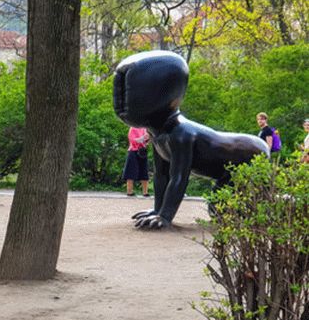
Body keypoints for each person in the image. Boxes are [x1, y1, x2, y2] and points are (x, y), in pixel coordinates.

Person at [113, 50, 269, 229]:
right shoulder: (158, 134)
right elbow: (161, 175)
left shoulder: (181, 134)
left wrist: (165, 216)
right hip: (235, 158)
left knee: (235, 208)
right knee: (219, 210)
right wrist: (157, 211)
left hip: (251, 151)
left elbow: (179, 177)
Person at [123, 126, 150, 197]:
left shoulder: (145, 128)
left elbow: (147, 141)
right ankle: (129, 191)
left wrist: (147, 139)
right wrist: (143, 138)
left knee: (144, 171)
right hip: (133, 151)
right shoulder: (133, 128)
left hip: (142, 151)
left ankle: (145, 192)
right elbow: (132, 140)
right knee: (130, 171)